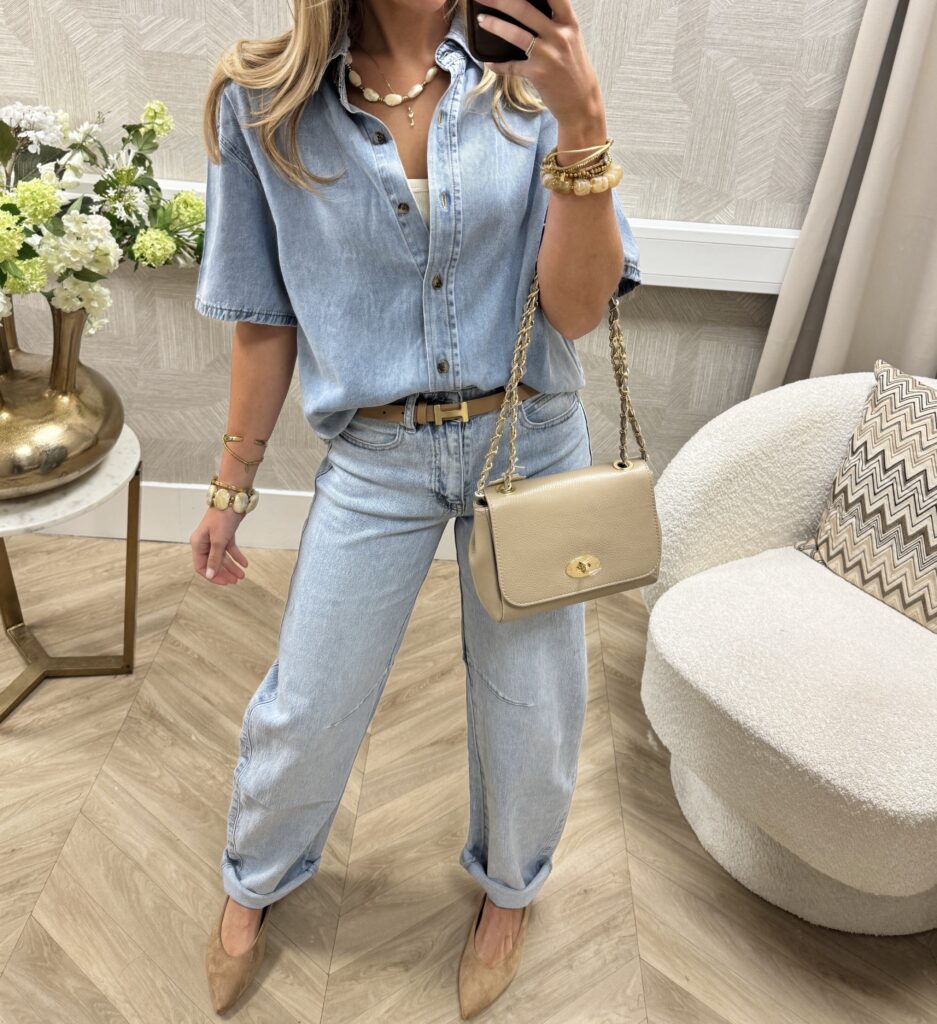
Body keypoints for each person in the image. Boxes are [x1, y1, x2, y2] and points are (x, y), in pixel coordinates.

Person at [190, 0, 640, 1016]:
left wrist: (582, 118)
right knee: (311, 699)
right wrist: (230, 483)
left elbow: (576, 310)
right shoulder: (263, 101)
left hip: (528, 439)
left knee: (531, 702)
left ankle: (510, 892)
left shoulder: (529, 73)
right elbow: (263, 318)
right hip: (376, 452)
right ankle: (254, 878)